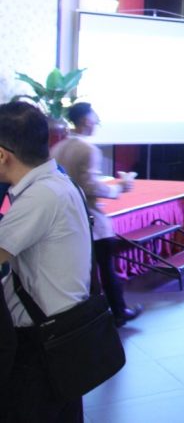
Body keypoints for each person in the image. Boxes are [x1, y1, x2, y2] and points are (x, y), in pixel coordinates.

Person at [0, 101, 92, 421]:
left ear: (3, 155)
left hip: (42, 342)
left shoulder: (40, 197)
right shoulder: (58, 182)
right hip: (65, 333)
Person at [50, 102, 143, 327]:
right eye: (94, 117)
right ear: (85, 120)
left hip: (67, 220)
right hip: (91, 221)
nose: (97, 121)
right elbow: (89, 186)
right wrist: (119, 188)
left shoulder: (58, 149)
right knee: (106, 269)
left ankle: (87, 318)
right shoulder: (88, 149)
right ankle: (118, 312)